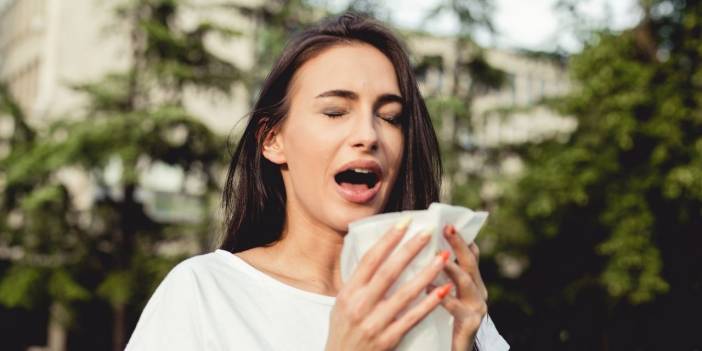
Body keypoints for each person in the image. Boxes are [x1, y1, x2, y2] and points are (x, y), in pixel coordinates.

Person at [126, 12, 509, 351]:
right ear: (272, 140)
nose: (369, 134)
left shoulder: (439, 302)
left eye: (390, 116)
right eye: (335, 111)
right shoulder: (203, 293)